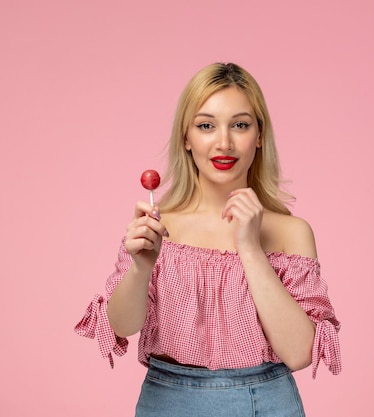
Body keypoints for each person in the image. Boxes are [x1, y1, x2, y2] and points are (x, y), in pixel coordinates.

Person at [75, 62, 341, 417]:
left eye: (241, 125)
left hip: (266, 403)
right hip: (167, 401)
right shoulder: (158, 226)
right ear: (186, 137)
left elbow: (298, 353)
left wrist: (249, 248)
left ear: (259, 136)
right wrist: (141, 268)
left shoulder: (291, 232)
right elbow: (123, 326)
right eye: (205, 126)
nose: (224, 142)